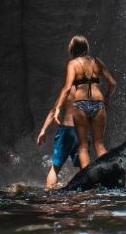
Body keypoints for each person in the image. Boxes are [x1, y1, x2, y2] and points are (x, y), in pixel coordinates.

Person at [53, 35, 117, 169]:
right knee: (99, 144)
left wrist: (58, 108)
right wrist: (107, 97)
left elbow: (67, 87)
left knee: (83, 146)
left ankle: (88, 178)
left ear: (73, 49)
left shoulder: (73, 64)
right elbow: (112, 83)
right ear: (85, 47)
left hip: (80, 104)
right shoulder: (97, 61)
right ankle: (109, 173)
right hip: (99, 103)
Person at [36, 91, 80, 188]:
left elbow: (53, 111)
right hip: (82, 131)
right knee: (84, 167)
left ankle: (49, 195)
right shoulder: (90, 91)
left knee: (55, 168)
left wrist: (43, 130)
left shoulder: (68, 91)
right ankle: (86, 196)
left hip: (67, 129)